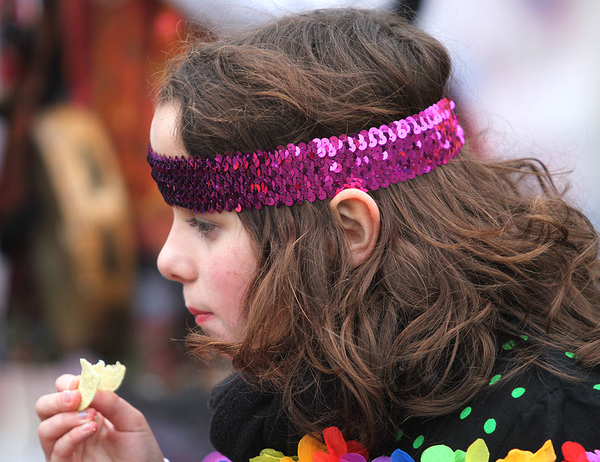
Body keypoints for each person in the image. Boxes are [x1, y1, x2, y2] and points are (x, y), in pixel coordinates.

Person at [35, 7, 600, 462]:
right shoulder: (300, 394)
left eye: (206, 224)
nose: (169, 260)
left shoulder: (548, 426)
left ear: (349, 228)